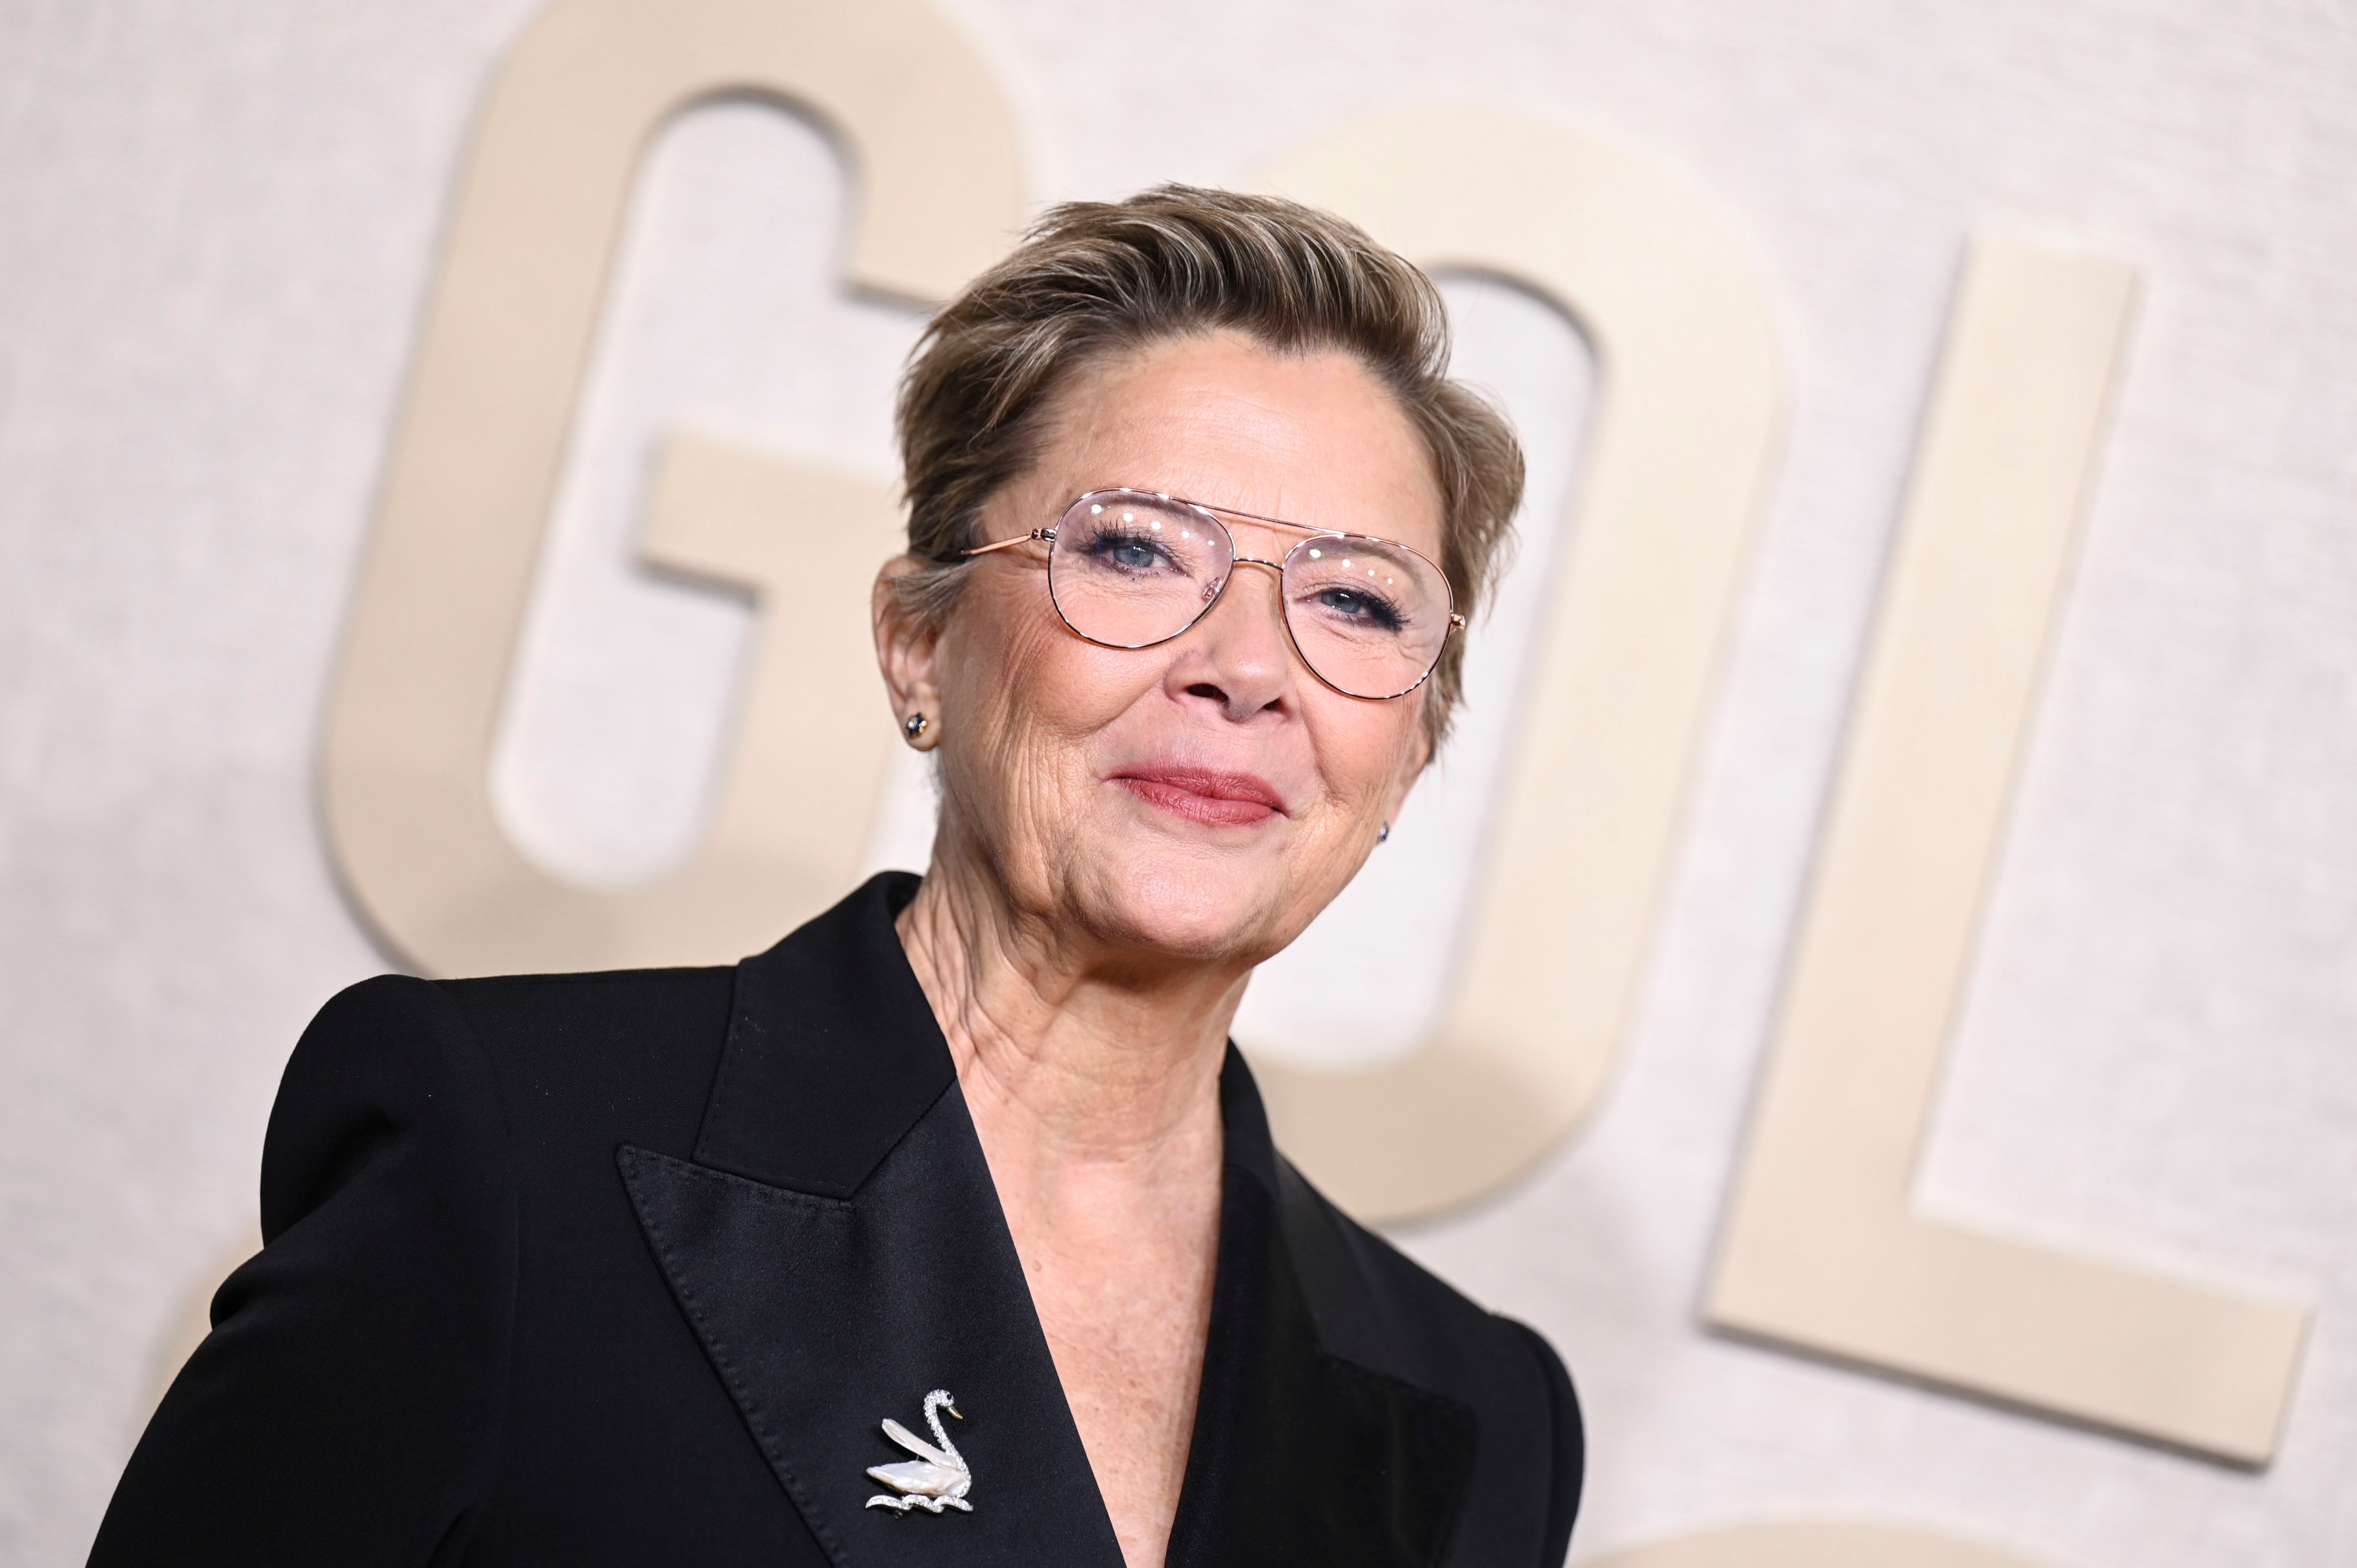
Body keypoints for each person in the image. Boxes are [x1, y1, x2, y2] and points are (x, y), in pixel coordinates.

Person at [91, 185, 1581, 1568]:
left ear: (1414, 741)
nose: (1246, 667)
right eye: (1134, 552)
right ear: (918, 641)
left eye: (1354, 599)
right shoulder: (506, 1150)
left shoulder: (1478, 1413)